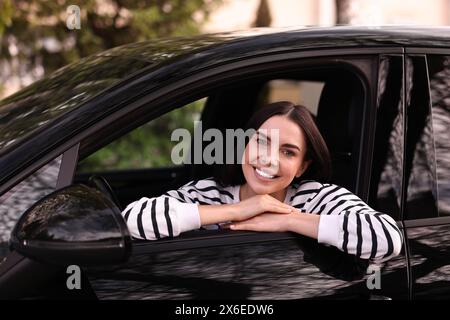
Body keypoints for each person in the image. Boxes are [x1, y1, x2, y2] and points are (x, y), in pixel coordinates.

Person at [122, 101, 403, 261]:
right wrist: (236, 211)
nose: (268, 160)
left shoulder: (317, 197)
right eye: (261, 143)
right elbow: (132, 221)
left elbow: (388, 239)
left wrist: (289, 220)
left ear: (303, 166)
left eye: (288, 152)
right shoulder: (211, 192)